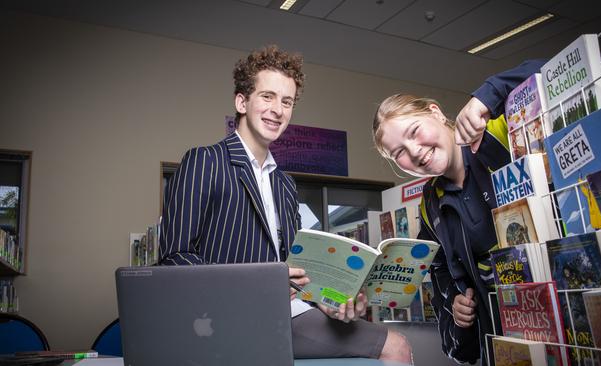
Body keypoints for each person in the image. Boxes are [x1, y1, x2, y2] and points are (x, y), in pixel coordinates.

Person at [159, 45, 412, 362]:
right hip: (226, 318)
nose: (277, 109)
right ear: (242, 101)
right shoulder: (204, 161)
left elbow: (299, 271)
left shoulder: (286, 184)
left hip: (288, 315)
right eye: (267, 96)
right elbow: (173, 258)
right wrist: (258, 286)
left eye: (287, 101)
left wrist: (335, 300)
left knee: (397, 345)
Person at [372, 60, 545, 365]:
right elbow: (440, 271)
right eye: (399, 152)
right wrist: (456, 303)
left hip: (569, 322)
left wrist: (488, 95)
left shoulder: (497, 132)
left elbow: (557, 73)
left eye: (414, 131)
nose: (413, 151)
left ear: (436, 113)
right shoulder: (430, 204)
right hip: (506, 345)